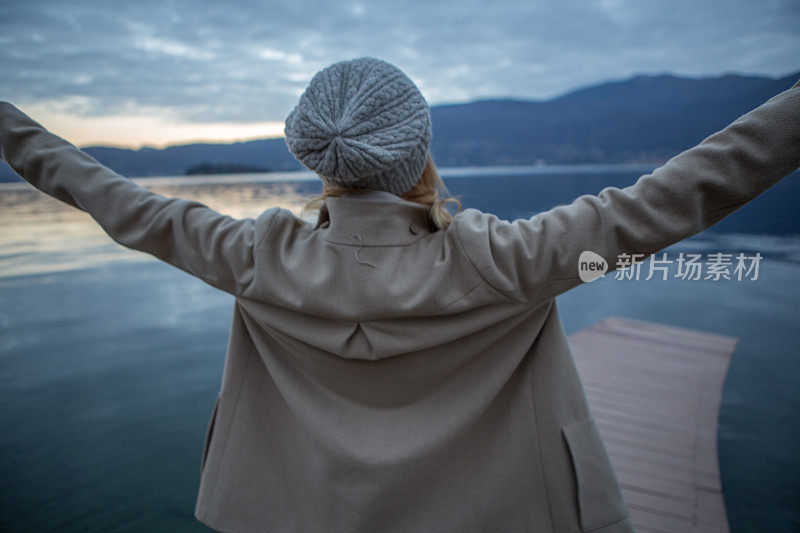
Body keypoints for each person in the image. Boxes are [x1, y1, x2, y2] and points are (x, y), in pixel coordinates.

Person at [0, 57, 798, 533]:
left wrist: (9, 126)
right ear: (418, 151)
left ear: (320, 159)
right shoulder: (507, 258)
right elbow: (687, 188)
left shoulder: (255, 256)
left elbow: (104, 193)